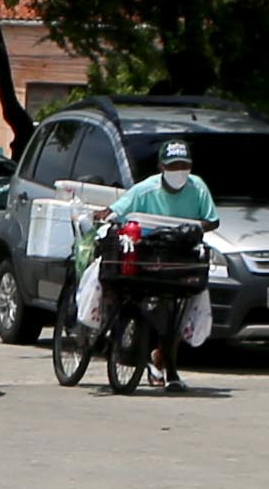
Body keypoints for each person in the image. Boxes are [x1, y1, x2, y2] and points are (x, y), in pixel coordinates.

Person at [85, 136, 218, 384]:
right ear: (161, 168)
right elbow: (118, 208)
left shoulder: (197, 187)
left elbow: (212, 219)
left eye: (183, 166)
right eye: (173, 167)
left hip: (179, 257)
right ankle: (113, 339)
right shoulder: (146, 189)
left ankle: (166, 365)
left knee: (178, 310)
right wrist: (106, 214)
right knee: (120, 289)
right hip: (146, 255)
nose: (178, 172)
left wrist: (193, 228)